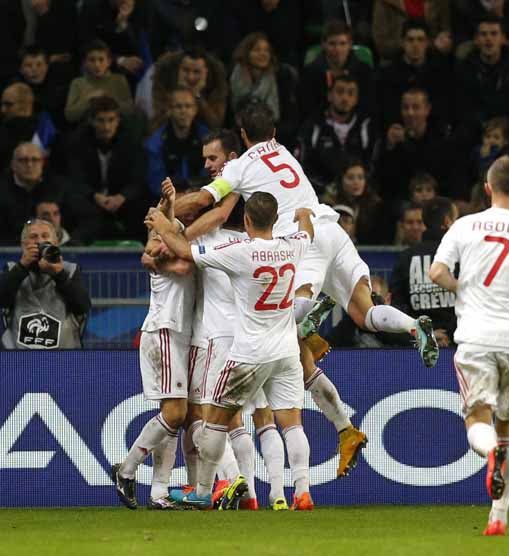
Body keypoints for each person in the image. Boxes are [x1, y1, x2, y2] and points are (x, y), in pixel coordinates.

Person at [169, 102, 439, 479]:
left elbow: (204, 204)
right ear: (274, 132)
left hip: (298, 242)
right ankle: (410, 329)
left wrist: (165, 214)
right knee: (363, 313)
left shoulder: (240, 167)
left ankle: (311, 313)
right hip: (329, 227)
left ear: (243, 137)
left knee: (288, 319)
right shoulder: (283, 152)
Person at [145, 192, 316, 510]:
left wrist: (163, 225)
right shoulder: (294, 245)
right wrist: (304, 213)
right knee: (291, 422)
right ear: (275, 219)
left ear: (248, 221)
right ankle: (302, 492)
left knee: (213, 420)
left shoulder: (240, 251)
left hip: (249, 352)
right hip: (286, 352)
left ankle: (203, 490)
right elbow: (308, 231)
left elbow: (183, 250)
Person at [429, 155, 509, 536]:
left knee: (477, 419)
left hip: (476, 337)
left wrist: (461, 290)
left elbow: (437, 272)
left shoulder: (464, 225)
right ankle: (498, 518)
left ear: (487, 189)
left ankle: (490, 454)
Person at [112, 190, 195, 510]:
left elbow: (156, 254)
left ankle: (159, 493)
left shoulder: (180, 234)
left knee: (172, 417)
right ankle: (127, 468)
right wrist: (163, 240)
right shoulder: (170, 233)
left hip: (177, 333)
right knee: (175, 414)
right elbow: (164, 258)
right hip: (164, 330)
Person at [0, 218, 91, 349]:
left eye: (45, 236)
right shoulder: (13, 269)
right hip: (19, 359)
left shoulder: (70, 270)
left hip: (63, 359)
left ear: (55, 243)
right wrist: (22, 267)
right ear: (23, 244)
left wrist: (59, 274)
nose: (39, 241)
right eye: (33, 237)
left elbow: (83, 306)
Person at [66, 96, 147, 242]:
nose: (106, 126)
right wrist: (95, 196)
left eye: (111, 120)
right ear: (91, 121)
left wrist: (122, 197)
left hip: (122, 198)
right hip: (91, 199)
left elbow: (138, 178)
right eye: (101, 120)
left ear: (118, 120)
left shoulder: (131, 142)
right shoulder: (78, 142)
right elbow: (76, 178)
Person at [0, 142, 93, 245]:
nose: (29, 165)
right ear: (13, 165)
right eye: (23, 160)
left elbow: (89, 220)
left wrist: (67, 240)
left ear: (42, 163)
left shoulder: (61, 187)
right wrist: (29, 243)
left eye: (35, 160)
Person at [454, 15, 509, 146]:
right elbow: (461, 103)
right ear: (476, 40)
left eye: (494, 34)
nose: (488, 39)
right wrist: (482, 123)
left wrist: (508, 121)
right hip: (475, 127)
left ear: (503, 39)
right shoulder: (465, 68)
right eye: (483, 34)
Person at [391, 197, 458, 347]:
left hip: (418, 352)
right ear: (447, 221)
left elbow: (397, 310)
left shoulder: (405, 258)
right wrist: (450, 334)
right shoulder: (461, 256)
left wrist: (425, 335)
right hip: (456, 348)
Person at [375, 88, 457, 206]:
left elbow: (435, 169)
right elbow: (384, 179)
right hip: (401, 200)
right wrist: (390, 147)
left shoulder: (440, 138)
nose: (410, 113)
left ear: (427, 109)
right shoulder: (390, 138)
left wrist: (408, 144)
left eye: (416, 107)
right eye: (405, 107)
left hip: (436, 197)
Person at [296, 75, 375, 192]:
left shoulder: (366, 126)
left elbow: (372, 163)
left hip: (358, 190)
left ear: (356, 99)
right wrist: (325, 188)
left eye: (350, 93)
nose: (345, 98)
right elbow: (302, 165)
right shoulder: (314, 125)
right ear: (329, 96)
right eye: (340, 92)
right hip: (321, 191)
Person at [376, 18, 453, 131]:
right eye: (410, 40)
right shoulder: (388, 74)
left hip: (432, 132)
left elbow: (444, 107)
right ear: (402, 43)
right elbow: (386, 111)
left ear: (427, 43)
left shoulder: (441, 72)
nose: (415, 45)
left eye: (420, 40)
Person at [228, 32, 300, 148]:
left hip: (276, 136)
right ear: (246, 53)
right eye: (257, 50)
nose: (263, 54)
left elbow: (290, 116)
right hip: (241, 135)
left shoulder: (281, 76)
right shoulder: (233, 75)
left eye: (266, 50)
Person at [299, 19, 375, 117]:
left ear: (350, 44)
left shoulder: (364, 71)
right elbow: (307, 109)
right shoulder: (310, 73)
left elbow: (369, 106)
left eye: (342, 43)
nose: (337, 49)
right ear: (323, 44)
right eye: (332, 44)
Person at [144, 87, 209, 198]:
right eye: (178, 106)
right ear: (170, 110)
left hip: (200, 197)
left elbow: (210, 174)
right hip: (167, 199)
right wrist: (176, 197)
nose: (183, 111)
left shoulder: (208, 138)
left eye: (188, 106)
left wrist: (194, 195)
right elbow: (156, 182)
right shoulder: (155, 142)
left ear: (195, 110)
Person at [150, 47, 228, 130]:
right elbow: (157, 124)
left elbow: (215, 125)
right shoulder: (163, 80)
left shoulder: (217, 84)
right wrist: (180, 93)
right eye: (186, 70)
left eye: (196, 72)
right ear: (179, 69)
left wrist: (197, 95)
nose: (191, 77)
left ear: (206, 72)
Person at [64, 39, 133, 125]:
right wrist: (88, 99)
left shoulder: (119, 80)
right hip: (87, 131)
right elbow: (69, 115)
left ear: (109, 62)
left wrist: (110, 99)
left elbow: (130, 111)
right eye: (92, 60)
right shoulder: (78, 83)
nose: (97, 65)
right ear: (84, 63)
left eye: (101, 60)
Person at [321, 158, 388, 244]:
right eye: (350, 178)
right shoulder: (328, 205)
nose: (356, 182)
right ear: (341, 180)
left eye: (360, 177)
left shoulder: (375, 205)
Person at [372, 2, 452, 62]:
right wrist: (409, 45)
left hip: (432, 61)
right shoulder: (384, 2)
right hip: (394, 63)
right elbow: (382, 45)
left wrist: (438, 44)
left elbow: (446, 37)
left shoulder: (440, 2)